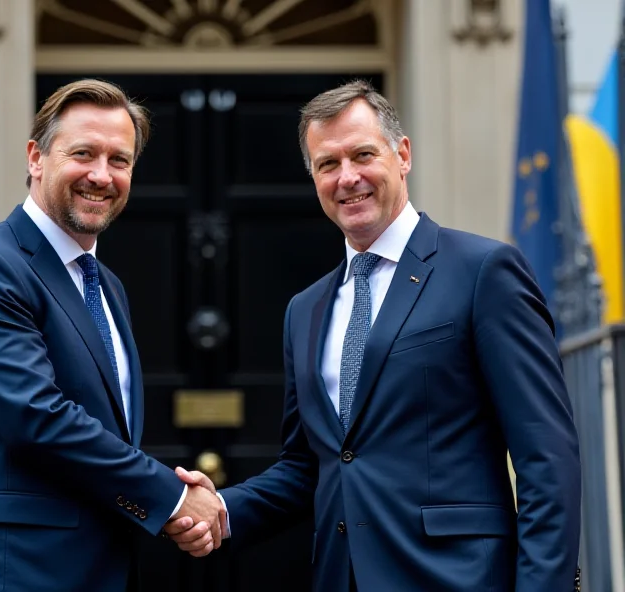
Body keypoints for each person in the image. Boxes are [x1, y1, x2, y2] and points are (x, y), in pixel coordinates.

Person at [165, 79, 582, 591]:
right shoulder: (306, 310)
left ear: (402, 155)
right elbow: (308, 467)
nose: (348, 178)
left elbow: (547, 458)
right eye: (327, 164)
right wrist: (221, 509)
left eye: (363, 155)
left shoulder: (483, 272)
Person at [0, 79, 224, 592]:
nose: (101, 175)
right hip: (7, 573)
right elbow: (36, 418)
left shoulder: (106, 286)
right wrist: (169, 497)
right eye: (83, 154)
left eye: (119, 160)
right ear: (36, 157)